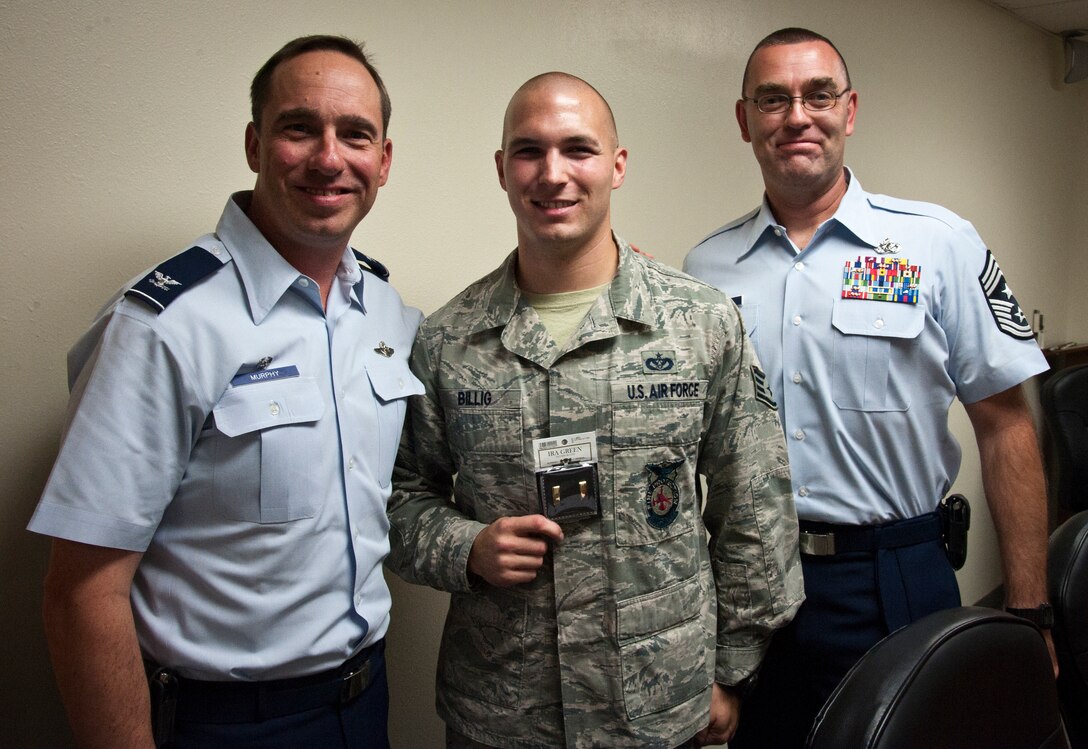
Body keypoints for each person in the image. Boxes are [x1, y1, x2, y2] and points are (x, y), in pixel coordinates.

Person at [386, 71, 803, 749]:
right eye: (529, 151)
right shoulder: (448, 340)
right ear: (501, 169)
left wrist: (729, 671)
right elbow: (402, 498)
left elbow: (754, 506)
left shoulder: (699, 323)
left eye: (577, 149)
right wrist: (468, 547)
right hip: (502, 712)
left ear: (617, 165)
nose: (553, 174)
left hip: (662, 707)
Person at [28, 35, 422, 748]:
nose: (330, 158)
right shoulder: (165, 324)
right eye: (300, 127)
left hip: (367, 701)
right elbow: (82, 592)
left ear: (384, 160)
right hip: (225, 722)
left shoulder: (387, 311)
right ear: (254, 143)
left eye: (355, 134)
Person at [683, 27, 1054, 748]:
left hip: (892, 576)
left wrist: (1030, 610)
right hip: (753, 582)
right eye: (773, 99)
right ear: (744, 120)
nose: (797, 115)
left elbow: (1006, 425)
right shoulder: (707, 267)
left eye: (818, 95)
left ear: (849, 111)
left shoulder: (936, 243)